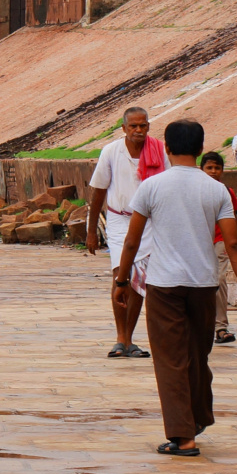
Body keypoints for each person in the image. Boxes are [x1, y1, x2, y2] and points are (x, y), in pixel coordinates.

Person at [115, 119, 237, 456]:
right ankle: (197, 416)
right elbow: (233, 245)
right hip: (204, 284)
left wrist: (122, 280)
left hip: (164, 285)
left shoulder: (152, 186)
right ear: (199, 148)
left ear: (166, 147)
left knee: (170, 360)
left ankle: (183, 436)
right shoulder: (216, 189)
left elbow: (132, 241)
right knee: (197, 354)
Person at [87, 106, 167, 358]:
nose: (138, 130)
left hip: (150, 222)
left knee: (138, 279)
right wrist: (91, 231)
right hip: (120, 220)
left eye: (143, 125)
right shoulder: (111, 152)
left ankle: (130, 338)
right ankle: (120, 337)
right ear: (123, 128)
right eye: (133, 126)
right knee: (119, 275)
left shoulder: (159, 150)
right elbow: (98, 191)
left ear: (148, 127)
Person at [200, 151, 237, 345]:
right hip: (199, 242)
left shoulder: (226, 191)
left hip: (220, 241)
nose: (213, 171)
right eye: (209, 168)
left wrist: (235, 243)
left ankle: (220, 327)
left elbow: (234, 219)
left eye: (217, 168)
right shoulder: (196, 190)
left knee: (218, 280)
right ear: (201, 170)